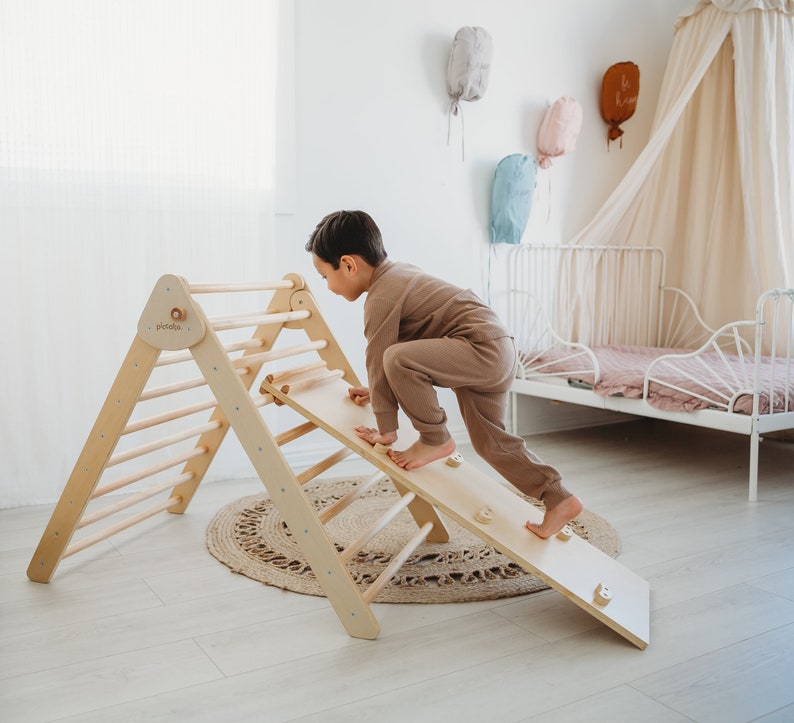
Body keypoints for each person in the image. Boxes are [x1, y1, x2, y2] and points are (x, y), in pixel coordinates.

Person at [305, 209, 583, 538]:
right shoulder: (400, 274)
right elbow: (407, 352)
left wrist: (386, 429)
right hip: (495, 349)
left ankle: (435, 439)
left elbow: (382, 357)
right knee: (492, 444)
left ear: (348, 265)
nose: (328, 286)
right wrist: (379, 389)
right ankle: (558, 497)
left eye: (325, 276)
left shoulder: (381, 297)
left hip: (480, 347)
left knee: (394, 358)